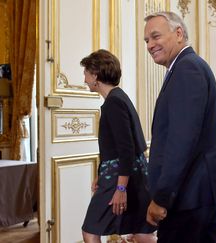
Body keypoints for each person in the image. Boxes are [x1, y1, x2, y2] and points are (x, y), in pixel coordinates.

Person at [143, 11, 216, 243]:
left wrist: (162, 197)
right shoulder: (185, 67)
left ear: (179, 33)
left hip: (189, 196)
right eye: (147, 41)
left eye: (155, 37)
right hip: (195, 193)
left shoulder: (187, 69)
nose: (150, 45)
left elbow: (181, 141)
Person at [80, 49, 156, 243]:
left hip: (119, 177)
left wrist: (120, 189)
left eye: (86, 74)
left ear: (95, 75)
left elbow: (126, 149)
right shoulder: (119, 97)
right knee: (140, 232)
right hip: (129, 173)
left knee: (90, 230)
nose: (84, 79)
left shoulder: (114, 102)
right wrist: (101, 173)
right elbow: (116, 147)